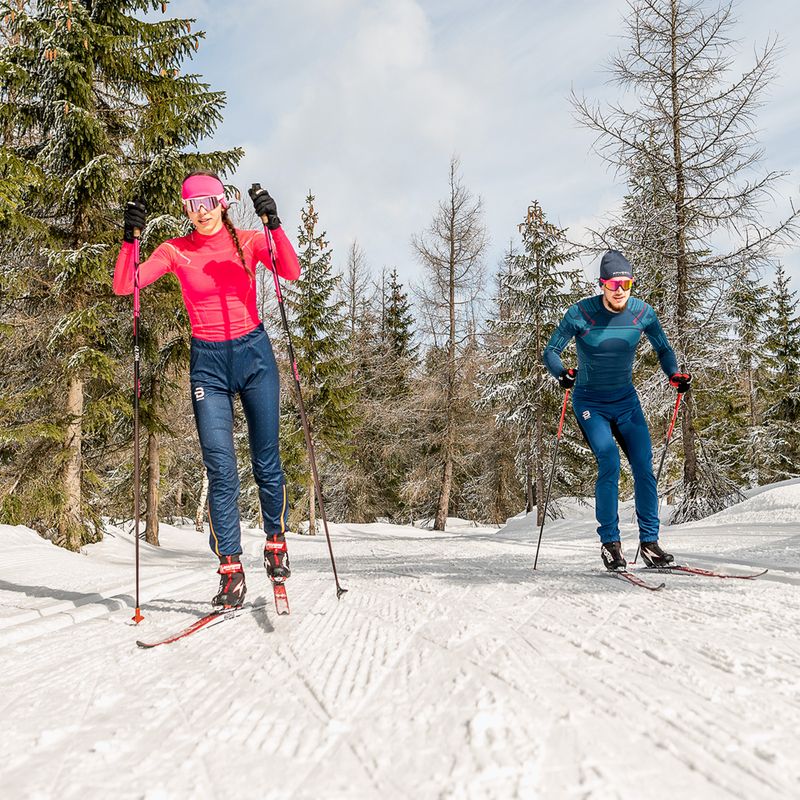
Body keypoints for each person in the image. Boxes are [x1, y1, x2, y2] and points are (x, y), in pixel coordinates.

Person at [113, 171, 301, 607]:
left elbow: (290, 270)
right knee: (220, 470)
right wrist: (130, 240)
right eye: (193, 205)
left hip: (255, 356)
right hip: (208, 364)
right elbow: (127, 285)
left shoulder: (249, 241)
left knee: (266, 460)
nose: (202, 212)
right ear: (185, 209)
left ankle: (276, 539)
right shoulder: (176, 251)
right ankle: (230, 569)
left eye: (209, 202)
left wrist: (274, 224)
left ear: (223, 203)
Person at [542, 250, 691, 571]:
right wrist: (562, 373)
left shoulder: (642, 313)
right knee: (609, 460)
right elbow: (551, 350)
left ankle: (650, 544)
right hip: (590, 402)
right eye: (613, 284)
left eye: (626, 283)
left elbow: (663, 348)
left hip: (626, 402)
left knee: (643, 466)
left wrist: (673, 374)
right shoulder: (580, 313)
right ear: (602, 285)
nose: (620, 289)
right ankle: (610, 545)